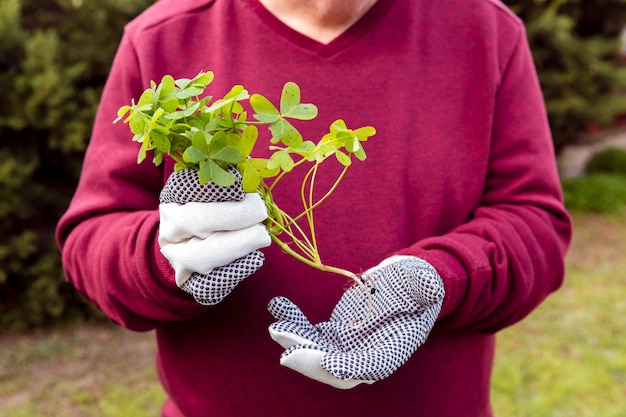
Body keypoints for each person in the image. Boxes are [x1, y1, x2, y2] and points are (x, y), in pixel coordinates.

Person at [56, 0, 573, 416]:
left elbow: (535, 223)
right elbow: (91, 236)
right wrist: (165, 258)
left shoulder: (486, 30)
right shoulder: (160, 38)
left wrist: (440, 281)